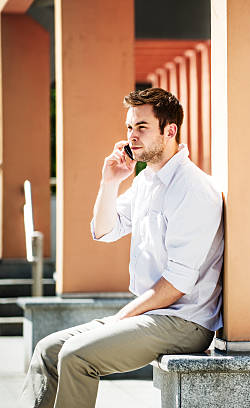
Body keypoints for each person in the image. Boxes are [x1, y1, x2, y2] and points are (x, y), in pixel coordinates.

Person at [20, 88, 224, 408]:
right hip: (150, 314)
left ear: (169, 130)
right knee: (48, 350)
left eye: (142, 127)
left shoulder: (192, 188)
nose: (132, 136)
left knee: (76, 356)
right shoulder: (146, 182)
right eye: (129, 127)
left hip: (185, 321)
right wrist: (110, 182)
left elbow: (177, 285)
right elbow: (104, 230)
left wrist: (121, 318)